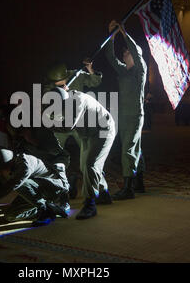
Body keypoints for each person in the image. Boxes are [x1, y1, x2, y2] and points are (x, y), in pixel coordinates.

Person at [47, 87, 116, 220]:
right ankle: (104, 193)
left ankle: (90, 205)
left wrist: (46, 122)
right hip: (87, 133)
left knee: (91, 164)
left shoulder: (78, 101)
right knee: (84, 166)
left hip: (103, 130)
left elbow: (68, 126)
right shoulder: (63, 101)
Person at [0, 146, 69, 226]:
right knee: (10, 216)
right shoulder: (6, 167)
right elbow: (1, 188)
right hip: (35, 190)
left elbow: (6, 191)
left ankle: (46, 211)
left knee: (20, 185)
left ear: (9, 164)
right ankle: (52, 208)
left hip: (54, 188)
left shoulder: (24, 166)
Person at [44, 60, 102, 199]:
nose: (60, 85)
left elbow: (95, 82)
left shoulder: (77, 75)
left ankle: (97, 185)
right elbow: (48, 104)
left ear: (65, 75)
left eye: (62, 82)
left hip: (78, 121)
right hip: (61, 122)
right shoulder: (49, 84)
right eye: (56, 84)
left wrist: (90, 70)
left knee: (88, 155)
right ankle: (61, 185)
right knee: (54, 153)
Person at [104, 20, 147, 199]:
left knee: (128, 149)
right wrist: (111, 36)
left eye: (127, 52)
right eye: (125, 52)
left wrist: (124, 33)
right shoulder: (124, 71)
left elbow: (136, 53)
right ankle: (139, 183)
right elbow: (110, 57)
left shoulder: (140, 70)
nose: (125, 53)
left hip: (134, 114)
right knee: (134, 148)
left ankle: (128, 188)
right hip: (123, 115)